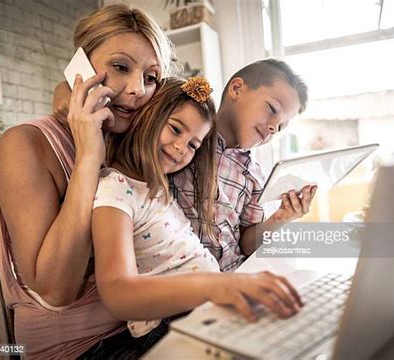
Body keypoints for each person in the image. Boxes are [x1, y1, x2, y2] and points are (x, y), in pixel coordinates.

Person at [0, 4, 175, 358]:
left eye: (150, 78)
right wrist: (88, 155)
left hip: (141, 329)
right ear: (80, 66)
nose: (137, 89)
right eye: (120, 67)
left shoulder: (132, 146)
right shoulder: (23, 144)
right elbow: (55, 290)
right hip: (78, 348)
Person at [85, 76, 303, 358]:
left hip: (203, 307)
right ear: (147, 118)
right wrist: (218, 285)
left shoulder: (157, 186)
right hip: (170, 321)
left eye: (193, 146)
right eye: (175, 129)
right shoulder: (116, 189)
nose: (180, 148)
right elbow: (117, 293)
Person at [169, 59, 317, 271]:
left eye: (281, 126)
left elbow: (246, 244)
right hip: (184, 277)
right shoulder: (187, 141)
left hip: (234, 275)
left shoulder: (254, 175)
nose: (274, 127)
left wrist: (280, 218)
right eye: (272, 108)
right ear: (237, 89)